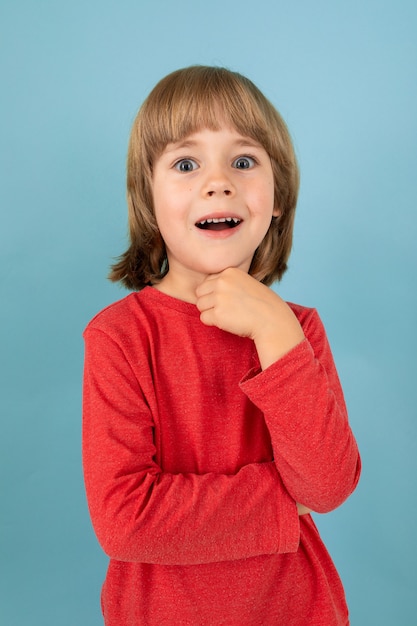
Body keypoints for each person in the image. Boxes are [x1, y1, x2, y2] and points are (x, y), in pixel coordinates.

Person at [82, 65, 361, 625]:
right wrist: (285, 499)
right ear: (149, 199)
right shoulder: (119, 336)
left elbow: (327, 486)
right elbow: (125, 520)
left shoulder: (298, 329)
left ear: (276, 196)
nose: (218, 181)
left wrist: (276, 335)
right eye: (186, 164)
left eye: (244, 160)